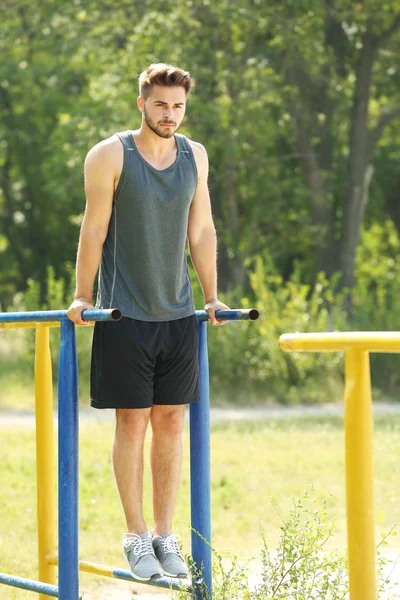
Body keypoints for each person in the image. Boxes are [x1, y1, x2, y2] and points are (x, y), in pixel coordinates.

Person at [67, 63, 230, 582]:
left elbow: (201, 230)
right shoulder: (110, 154)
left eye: (178, 106)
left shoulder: (195, 156)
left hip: (178, 314)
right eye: (161, 104)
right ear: (142, 103)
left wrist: (211, 297)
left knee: (171, 422)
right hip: (123, 313)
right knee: (132, 422)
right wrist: (81, 296)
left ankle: (165, 535)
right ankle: (135, 537)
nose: (170, 114)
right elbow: (93, 229)